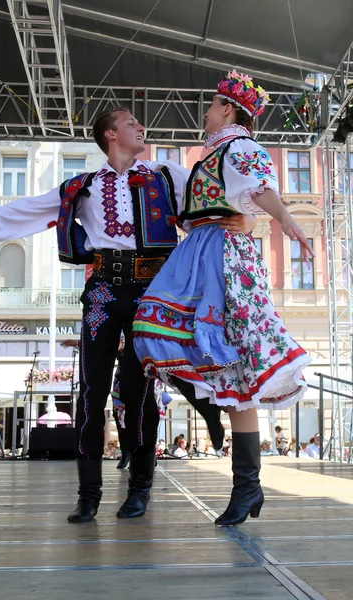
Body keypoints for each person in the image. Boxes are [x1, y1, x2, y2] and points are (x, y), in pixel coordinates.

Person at [0, 106, 255, 524]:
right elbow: (31, 209)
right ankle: (88, 494)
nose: (141, 127)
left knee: (140, 392)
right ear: (110, 134)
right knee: (91, 391)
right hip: (103, 292)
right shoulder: (82, 186)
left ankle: (140, 487)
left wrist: (239, 216)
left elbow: (204, 209)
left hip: (152, 290)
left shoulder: (166, 174)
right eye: (131, 123)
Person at [133, 70, 313, 527]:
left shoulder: (240, 147)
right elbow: (233, 195)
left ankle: (247, 487)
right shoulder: (212, 156)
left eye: (212, 106)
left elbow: (259, 190)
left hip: (221, 259)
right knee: (166, 338)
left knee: (232, 373)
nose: (206, 113)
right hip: (202, 252)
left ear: (227, 109)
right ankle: (243, 479)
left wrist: (284, 220)